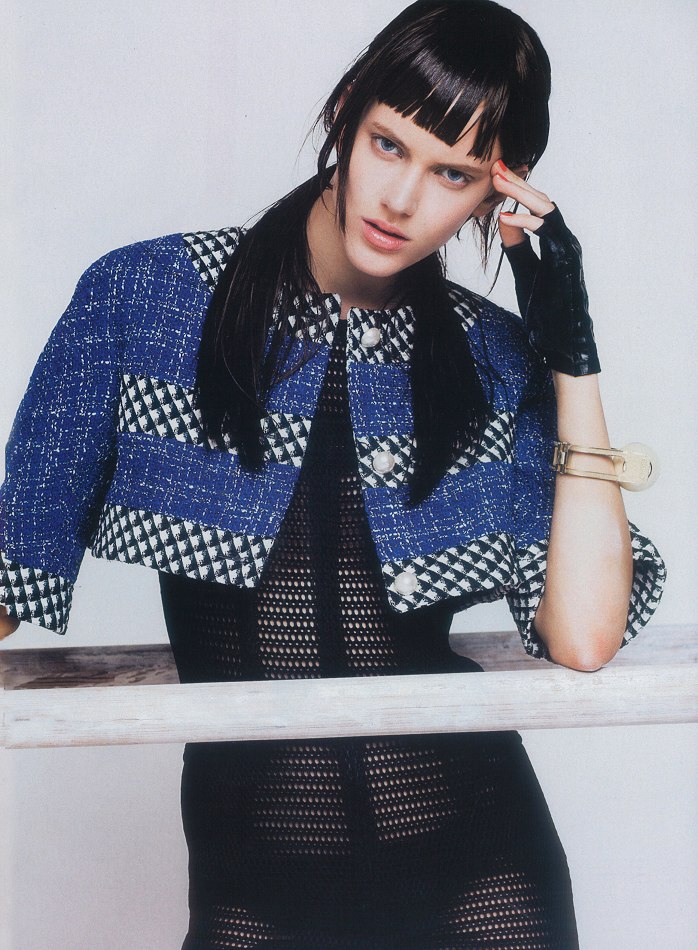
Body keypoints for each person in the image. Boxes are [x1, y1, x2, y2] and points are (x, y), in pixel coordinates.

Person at [0, 1, 666, 947]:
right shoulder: (145, 300)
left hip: (485, 877)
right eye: (389, 145)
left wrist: (571, 348)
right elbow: (15, 562)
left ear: (499, 189)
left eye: (452, 173)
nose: (401, 199)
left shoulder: (492, 358)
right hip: (252, 883)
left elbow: (584, 635)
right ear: (348, 111)